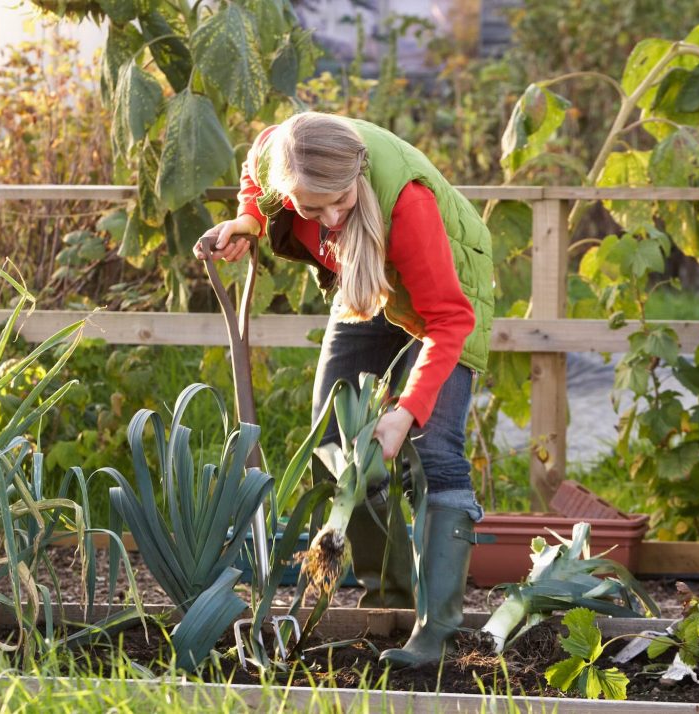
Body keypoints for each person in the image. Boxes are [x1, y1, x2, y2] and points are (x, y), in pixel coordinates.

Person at [194, 112, 494, 667]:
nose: (329, 216)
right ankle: (390, 603)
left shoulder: (408, 206)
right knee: (335, 440)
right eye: (311, 209)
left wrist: (405, 412)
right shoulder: (276, 153)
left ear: (357, 171)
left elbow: (450, 321)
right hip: (364, 275)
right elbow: (255, 180)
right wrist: (246, 222)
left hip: (442, 286)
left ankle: (435, 635)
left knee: (435, 450)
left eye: (340, 200)